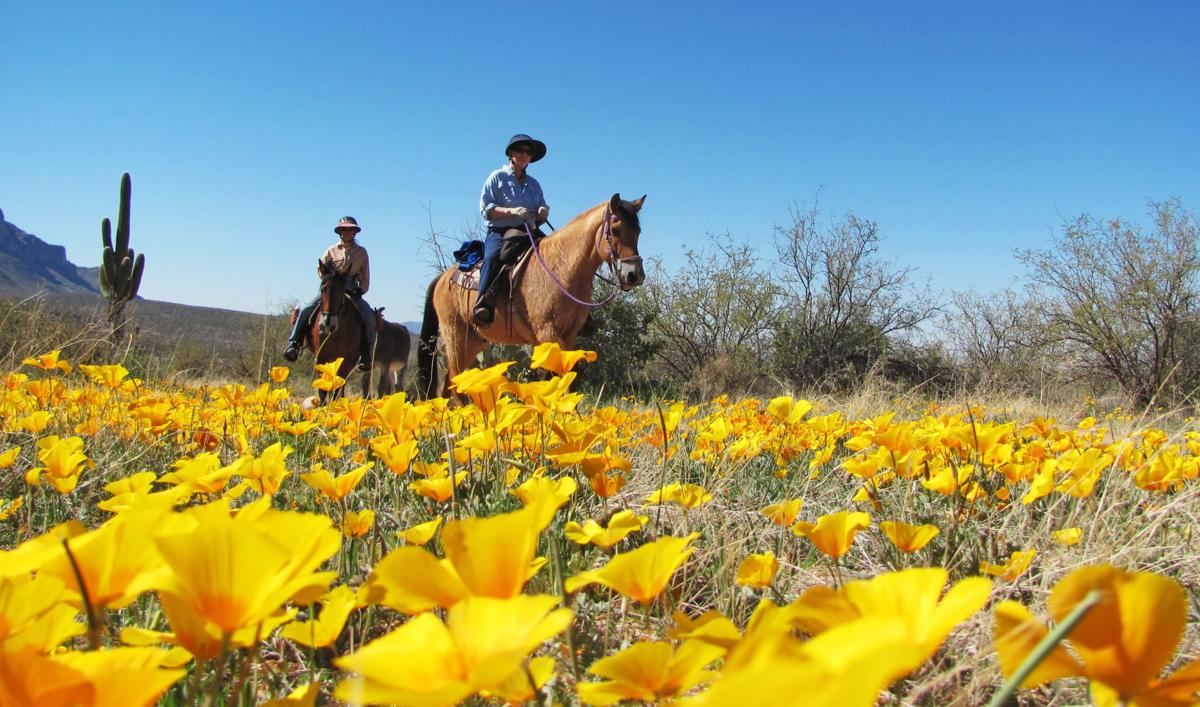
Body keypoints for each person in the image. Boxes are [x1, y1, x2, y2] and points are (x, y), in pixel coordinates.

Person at [475, 133, 550, 325]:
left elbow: (540, 210)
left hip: (528, 233)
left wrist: (543, 212)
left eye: (528, 152)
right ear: (511, 153)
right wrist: (511, 211)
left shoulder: (534, 184)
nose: (524, 155)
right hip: (501, 232)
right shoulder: (496, 177)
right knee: (492, 257)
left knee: (556, 255)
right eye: (520, 150)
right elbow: (486, 210)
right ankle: (483, 302)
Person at [282, 216, 376, 365]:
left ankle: (367, 354)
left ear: (355, 232)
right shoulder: (331, 250)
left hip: (351, 288)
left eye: (350, 229)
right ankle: (294, 343)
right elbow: (319, 270)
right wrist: (327, 275)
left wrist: (361, 289)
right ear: (339, 232)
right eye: (344, 229)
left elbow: (365, 276)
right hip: (331, 287)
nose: (347, 232)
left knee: (368, 314)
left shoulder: (362, 252)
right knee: (307, 308)